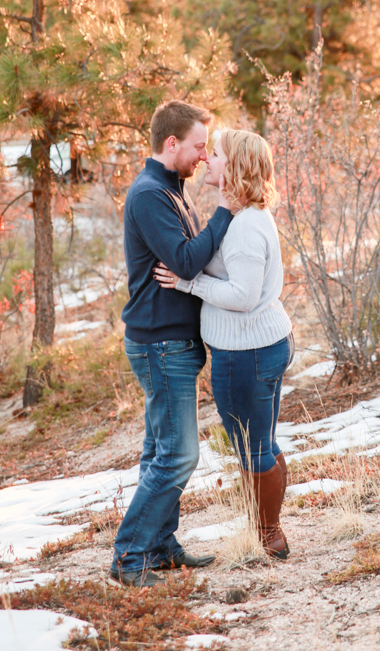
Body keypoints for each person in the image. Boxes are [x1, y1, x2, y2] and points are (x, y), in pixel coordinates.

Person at [109, 100, 233, 589]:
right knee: (179, 456)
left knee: (159, 450)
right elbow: (185, 262)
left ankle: (160, 546)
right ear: (172, 143)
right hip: (161, 345)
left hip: (171, 342)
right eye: (200, 146)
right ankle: (129, 557)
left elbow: (188, 263)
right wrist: (225, 211)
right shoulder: (149, 195)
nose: (205, 156)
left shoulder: (171, 190)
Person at [154, 129, 294, 560]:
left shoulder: (247, 227)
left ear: (233, 166)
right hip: (259, 346)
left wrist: (187, 282)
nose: (208, 160)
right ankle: (267, 527)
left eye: (215, 154)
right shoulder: (241, 214)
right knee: (262, 442)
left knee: (254, 447)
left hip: (246, 354)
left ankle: (268, 534)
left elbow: (242, 296)